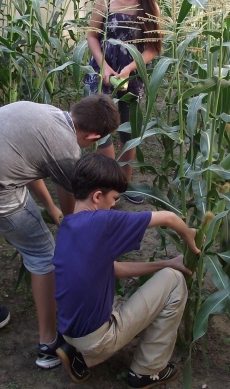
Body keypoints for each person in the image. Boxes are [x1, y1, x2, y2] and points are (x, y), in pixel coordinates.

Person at [0, 94, 119, 369]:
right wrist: (69, 226)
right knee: (43, 255)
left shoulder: (45, 113)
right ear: (94, 137)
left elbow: (32, 163)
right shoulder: (67, 150)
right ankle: (48, 344)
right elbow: (71, 199)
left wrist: (49, 206)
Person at [52, 152, 201, 388]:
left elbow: (115, 269)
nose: (114, 204)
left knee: (168, 272)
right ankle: (147, 370)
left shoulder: (68, 225)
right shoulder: (102, 221)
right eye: (113, 198)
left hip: (70, 332)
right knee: (174, 281)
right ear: (98, 196)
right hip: (96, 340)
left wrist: (167, 262)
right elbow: (169, 217)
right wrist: (190, 237)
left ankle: (77, 354)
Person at [83, 0, 162, 204]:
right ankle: (108, 186)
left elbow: (152, 48)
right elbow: (93, 35)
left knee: (128, 131)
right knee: (101, 130)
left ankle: (124, 184)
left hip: (131, 77)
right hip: (102, 75)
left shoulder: (148, 5)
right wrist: (104, 67)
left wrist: (130, 69)